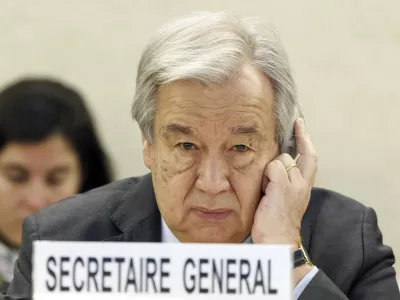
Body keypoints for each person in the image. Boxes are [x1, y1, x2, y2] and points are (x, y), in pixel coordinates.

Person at [4, 12, 399, 299]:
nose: (212, 183)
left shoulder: (349, 242)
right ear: (149, 144)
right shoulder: (62, 240)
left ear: (282, 151)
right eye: (186, 146)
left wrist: (287, 260)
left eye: (240, 147)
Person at [0, 78, 113, 292]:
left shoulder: (122, 263)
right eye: (16, 176)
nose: (35, 201)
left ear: (84, 175)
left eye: (55, 179)